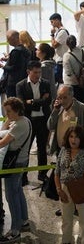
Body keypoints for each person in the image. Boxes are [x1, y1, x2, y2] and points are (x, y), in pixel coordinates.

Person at [0, 97, 32, 242]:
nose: (7, 114)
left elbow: (2, 143)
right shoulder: (23, 120)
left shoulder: (19, 125)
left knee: (11, 196)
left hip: (15, 164)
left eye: (9, 111)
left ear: (17, 110)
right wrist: (8, 118)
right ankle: (24, 220)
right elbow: (3, 129)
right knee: (18, 191)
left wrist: (8, 122)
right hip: (21, 161)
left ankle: (15, 230)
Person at [16, 61, 52, 182]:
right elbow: (22, 105)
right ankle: (23, 176)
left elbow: (48, 101)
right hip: (29, 122)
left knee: (42, 149)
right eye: (35, 72)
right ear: (28, 72)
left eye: (39, 72)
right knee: (25, 149)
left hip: (43, 120)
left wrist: (31, 102)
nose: (38, 75)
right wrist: (40, 101)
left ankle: (42, 174)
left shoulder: (45, 84)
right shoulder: (20, 85)